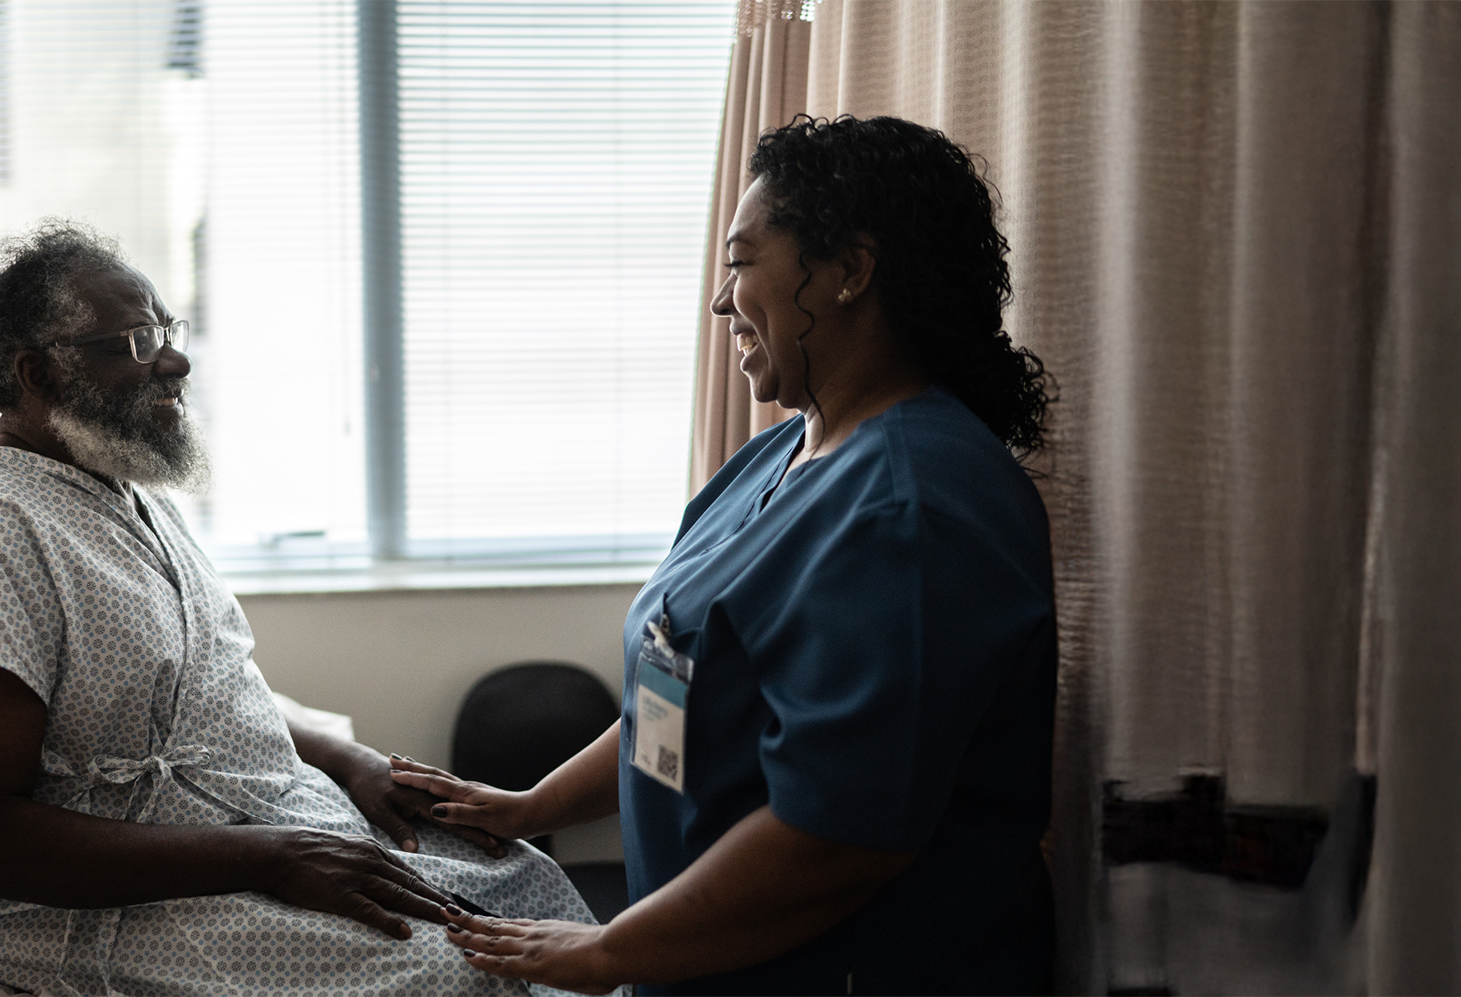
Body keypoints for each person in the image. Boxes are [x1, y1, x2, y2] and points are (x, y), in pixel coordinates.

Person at [393, 116, 1058, 995]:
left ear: (851, 271)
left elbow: (836, 841)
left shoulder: (912, 509)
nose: (720, 301)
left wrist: (609, 950)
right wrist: (532, 806)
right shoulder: (780, 456)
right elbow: (677, 687)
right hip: (696, 957)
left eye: (743, 263)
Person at [0, 221, 598, 997]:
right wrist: (270, 855)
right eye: (133, 341)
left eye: (165, 328)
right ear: (37, 374)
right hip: (89, 898)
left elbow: (197, 700)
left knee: (524, 886)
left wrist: (345, 759)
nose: (175, 360)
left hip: (253, 825)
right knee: (454, 971)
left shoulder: (121, 497)